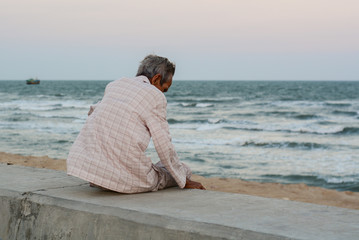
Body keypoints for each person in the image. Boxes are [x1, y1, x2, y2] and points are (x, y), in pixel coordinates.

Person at [67, 54, 205, 193]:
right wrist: (184, 179)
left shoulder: (115, 85)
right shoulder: (155, 96)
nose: (164, 94)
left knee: (160, 166)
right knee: (183, 169)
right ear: (156, 79)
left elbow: (93, 111)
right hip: (122, 179)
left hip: (91, 170)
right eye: (164, 89)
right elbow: (163, 144)